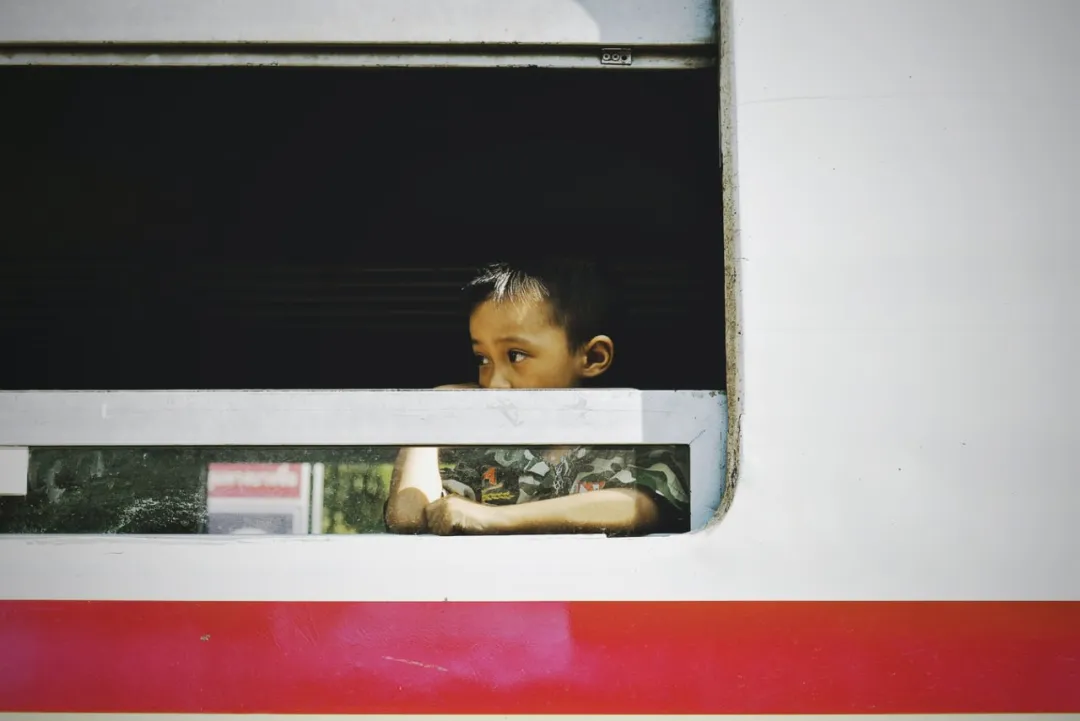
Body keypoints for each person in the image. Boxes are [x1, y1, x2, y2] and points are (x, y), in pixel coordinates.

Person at [384, 259, 689, 536]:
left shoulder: (635, 439)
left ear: (593, 357)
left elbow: (636, 505)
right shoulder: (478, 452)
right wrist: (429, 417)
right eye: (482, 359)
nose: (494, 383)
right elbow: (410, 519)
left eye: (515, 355)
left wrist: (491, 518)